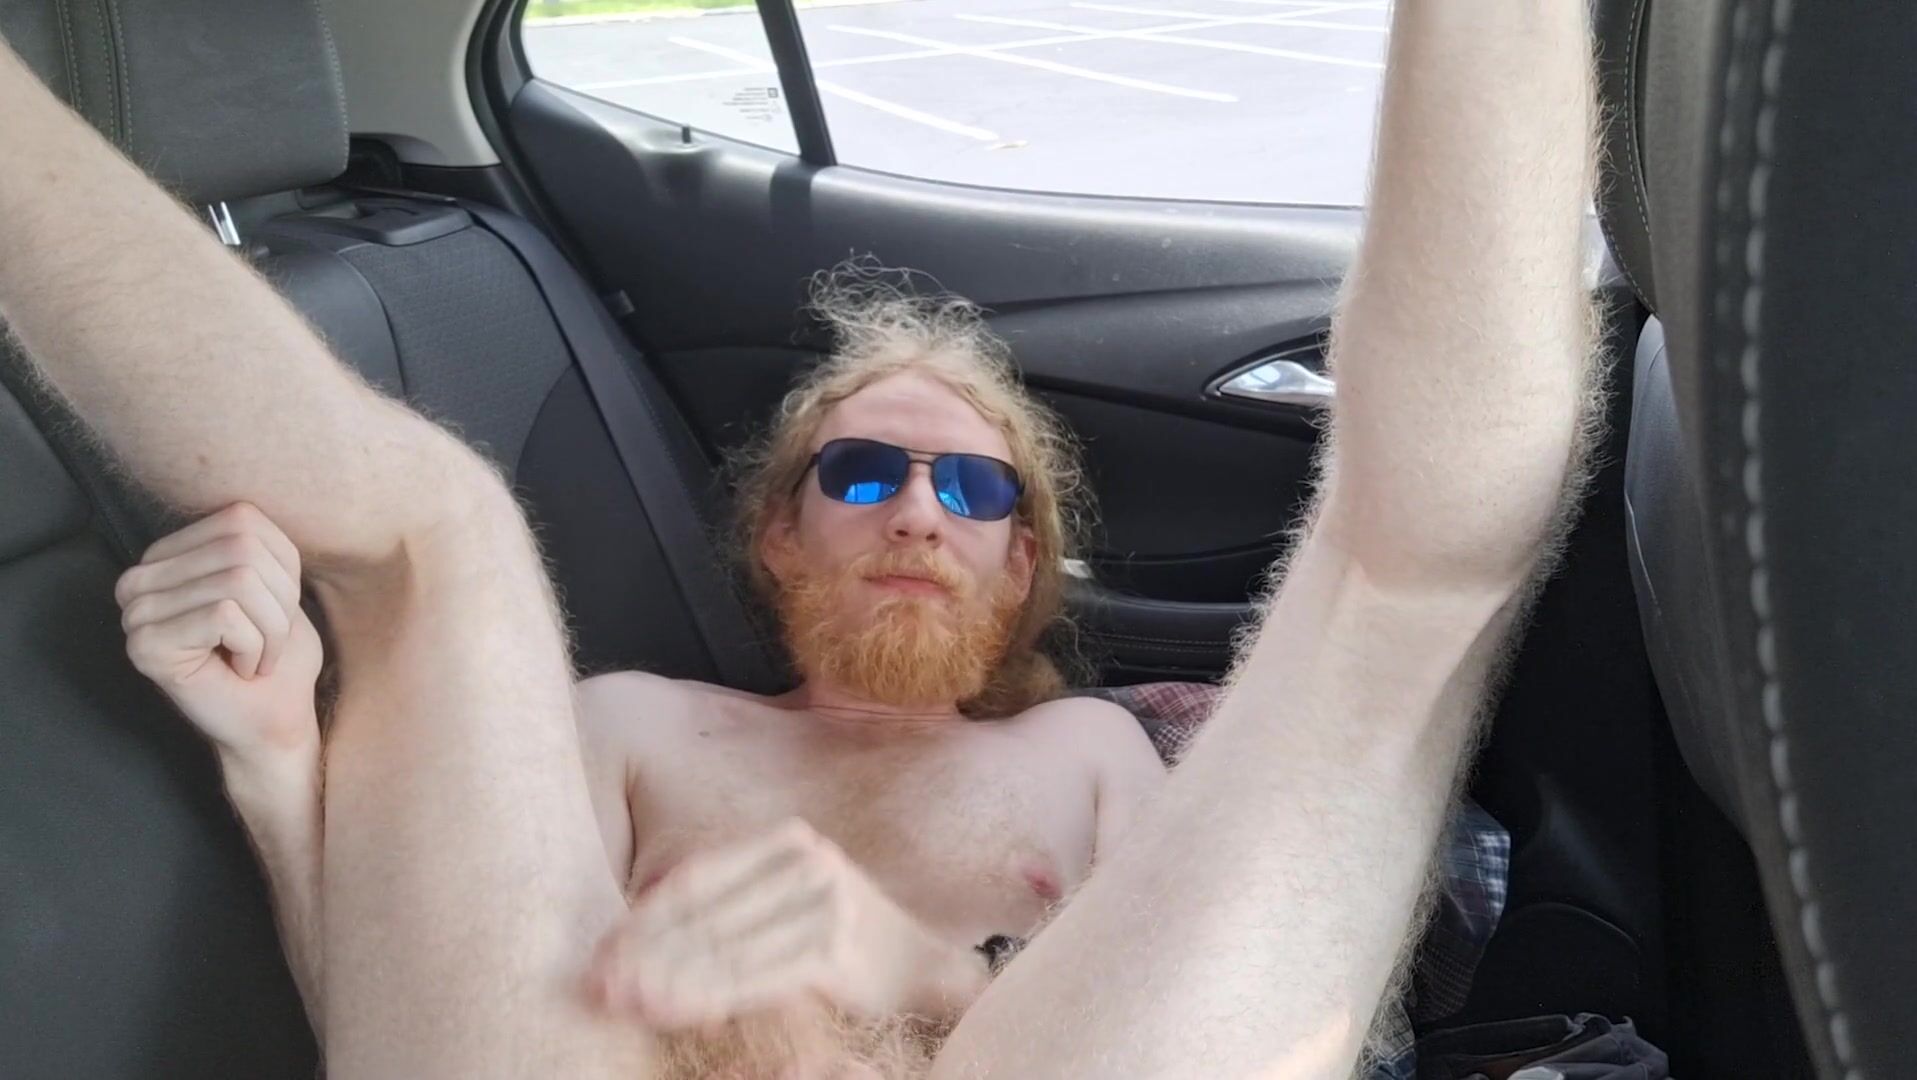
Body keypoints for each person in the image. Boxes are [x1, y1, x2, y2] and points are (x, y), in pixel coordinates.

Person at [0, 0, 1600, 1073]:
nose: (914, 508)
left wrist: (907, 967)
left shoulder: (1089, 754)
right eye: (862, 472)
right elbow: (416, 1008)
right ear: (775, 538)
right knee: (436, 535)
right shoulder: (629, 729)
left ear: (1022, 569)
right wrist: (280, 772)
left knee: (1394, 589)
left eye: (974, 493)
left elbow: (1163, 992)